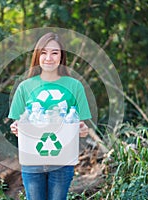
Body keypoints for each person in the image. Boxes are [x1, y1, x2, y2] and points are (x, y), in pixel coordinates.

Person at [8, 32, 92, 200]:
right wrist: (16, 127)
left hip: (62, 159)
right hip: (32, 159)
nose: (49, 58)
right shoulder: (25, 87)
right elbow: (19, 122)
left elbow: (79, 124)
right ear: (37, 55)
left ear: (61, 57)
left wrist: (82, 129)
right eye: (44, 52)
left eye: (54, 53)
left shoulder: (74, 86)